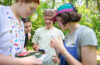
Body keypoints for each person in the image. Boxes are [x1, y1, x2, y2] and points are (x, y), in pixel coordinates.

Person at [0, 0, 42, 65]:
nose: (32, 13)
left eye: (34, 10)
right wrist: (20, 61)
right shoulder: (1, 12)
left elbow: (18, 49)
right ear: (21, 1)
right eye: (31, 8)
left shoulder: (21, 23)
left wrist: (30, 54)